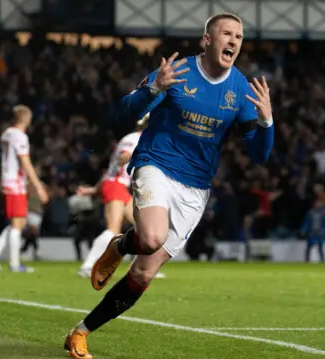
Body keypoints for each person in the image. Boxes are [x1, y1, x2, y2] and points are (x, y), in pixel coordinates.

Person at [63, 13, 274, 358]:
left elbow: (260, 155)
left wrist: (266, 122)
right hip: (156, 165)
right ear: (207, 40)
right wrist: (153, 89)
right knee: (150, 238)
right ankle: (120, 245)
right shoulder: (176, 73)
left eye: (239, 36)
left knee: (144, 274)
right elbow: (118, 117)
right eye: (227, 33)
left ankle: (81, 332)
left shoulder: (238, 89)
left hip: (195, 188)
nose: (234, 41)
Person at [76, 114, 166, 279]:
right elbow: (122, 157)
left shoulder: (140, 140)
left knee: (144, 228)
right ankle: (88, 265)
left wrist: (93, 190)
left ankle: (144, 268)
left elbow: (111, 169)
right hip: (116, 186)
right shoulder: (135, 139)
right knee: (113, 230)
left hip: (120, 187)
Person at [0, 105, 49, 272]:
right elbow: (25, 161)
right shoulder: (20, 136)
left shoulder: (6, 133)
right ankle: (14, 264)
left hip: (7, 179)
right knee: (17, 223)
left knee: (19, 221)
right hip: (15, 182)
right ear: (27, 119)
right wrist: (38, 186)